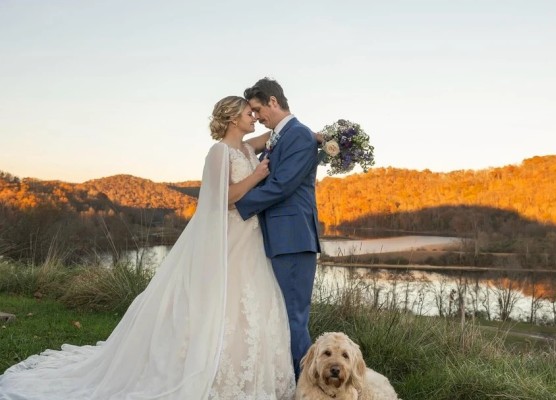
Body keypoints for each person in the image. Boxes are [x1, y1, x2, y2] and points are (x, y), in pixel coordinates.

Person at [0, 96, 296, 399]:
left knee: (250, 301)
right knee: (223, 300)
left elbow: (274, 133)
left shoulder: (247, 148)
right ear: (234, 118)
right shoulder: (219, 153)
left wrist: (312, 135)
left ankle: (251, 374)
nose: (255, 117)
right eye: (250, 113)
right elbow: (224, 198)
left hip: (251, 236)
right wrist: (257, 175)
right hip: (230, 235)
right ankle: (211, 368)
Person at [235, 78, 321, 379]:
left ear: (273, 101)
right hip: (277, 238)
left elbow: (282, 185)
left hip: (293, 240)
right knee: (279, 316)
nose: (256, 117)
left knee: (293, 318)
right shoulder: (281, 137)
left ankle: (305, 387)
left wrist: (234, 204)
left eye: (258, 110)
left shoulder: (298, 136)